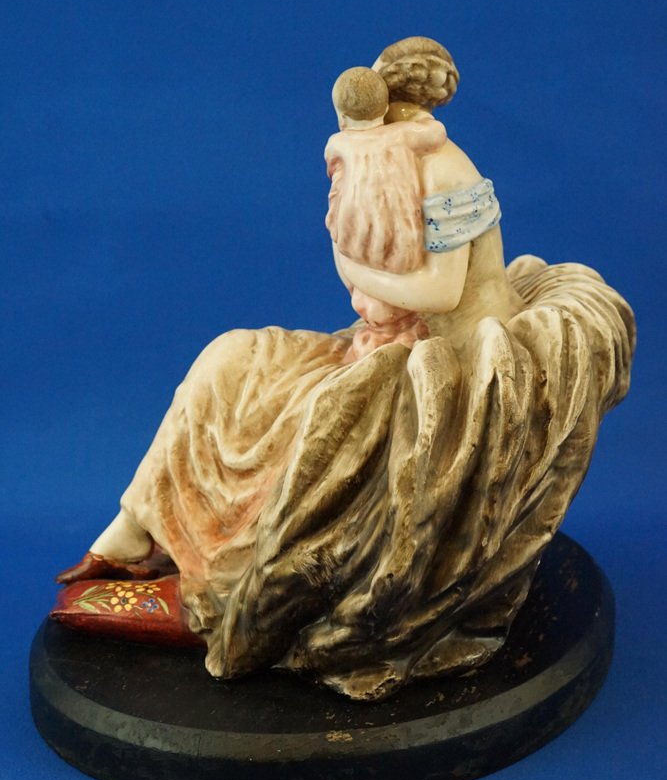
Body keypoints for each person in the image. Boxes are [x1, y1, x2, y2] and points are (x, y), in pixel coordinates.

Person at [55, 37, 635, 701]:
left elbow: (440, 292)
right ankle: (134, 529)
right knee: (233, 356)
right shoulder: (391, 160)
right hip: (391, 335)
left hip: (450, 358)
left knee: (304, 421)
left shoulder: (443, 171)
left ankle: (217, 581)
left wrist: (352, 265)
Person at [324, 66, 445, 360]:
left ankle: (384, 327)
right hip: (402, 234)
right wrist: (419, 120)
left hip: (355, 232)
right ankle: (397, 325)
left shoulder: (337, 143)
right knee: (398, 256)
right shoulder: (404, 135)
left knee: (351, 253)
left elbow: (334, 170)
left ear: (341, 118)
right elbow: (437, 133)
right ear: (385, 110)